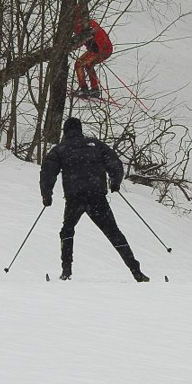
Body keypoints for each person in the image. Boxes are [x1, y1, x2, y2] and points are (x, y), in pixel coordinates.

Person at [40, 117, 150, 282]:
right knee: (113, 232)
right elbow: (114, 162)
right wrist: (115, 181)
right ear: (80, 130)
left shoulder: (60, 149)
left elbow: (48, 172)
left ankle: (66, 271)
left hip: (75, 198)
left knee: (67, 231)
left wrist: (46, 194)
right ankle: (136, 270)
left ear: (65, 132)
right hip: (96, 197)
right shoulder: (95, 145)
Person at [72, 13, 113, 99]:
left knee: (79, 64)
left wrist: (69, 47)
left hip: (98, 49)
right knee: (88, 64)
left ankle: (84, 89)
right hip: (105, 48)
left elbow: (80, 40)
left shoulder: (80, 24)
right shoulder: (88, 22)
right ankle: (95, 89)